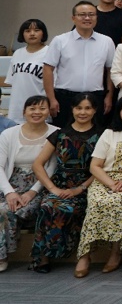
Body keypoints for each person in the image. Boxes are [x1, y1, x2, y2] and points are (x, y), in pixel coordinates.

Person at [77, 94, 122, 276]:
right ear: (119, 112)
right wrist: (111, 184)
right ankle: (85, 255)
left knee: (120, 203)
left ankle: (116, 253)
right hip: (105, 179)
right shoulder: (109, 133)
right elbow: (95, 166)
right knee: (97, 203)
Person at [29, 93, 101, 274]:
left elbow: (103, 168)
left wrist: (80, 189)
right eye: (79, 108)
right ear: (72, 109)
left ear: (95, 110)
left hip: (88, 185)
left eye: (87, 108)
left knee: (71, 209)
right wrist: (52, 188)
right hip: (59, 184)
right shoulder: (59, 134)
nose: (82, 112)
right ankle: (42, 257)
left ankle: (76, 254)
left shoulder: (102, 135)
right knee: (47, 205)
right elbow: (37, 164)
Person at [0, 96, 57, 272]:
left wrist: (33, 192)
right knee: (3, 207)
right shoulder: (9, 134)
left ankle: (3, 256)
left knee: (10, 210)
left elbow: (51, 168)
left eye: (42, 108)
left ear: (49, 112)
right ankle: (2, 255)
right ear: (24, 111)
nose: (37, 112)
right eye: (32, 108)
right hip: (11, 182)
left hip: (40, 185)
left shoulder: (56, 133)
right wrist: (9, 192)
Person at [43, 1, 116, 128]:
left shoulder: (107, 41)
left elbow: (111, 70)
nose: (87, 18)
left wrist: (109, 96)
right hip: (65, 97)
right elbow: (48, 69)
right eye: (82, 15)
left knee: (94, 135)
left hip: (95, 97)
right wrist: (51, 98)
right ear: (73, 18)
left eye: (91, 15)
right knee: (63, 134)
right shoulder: (60, 40)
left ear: (96, 17)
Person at [2, 19, 49, 124]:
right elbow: (12, 81)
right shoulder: (17, 53)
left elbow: (54, 85)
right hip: (16, 109)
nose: (32, 34)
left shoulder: (49, 52)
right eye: (27, 31)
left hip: (39, 108)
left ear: (43, 33)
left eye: (36, 30)